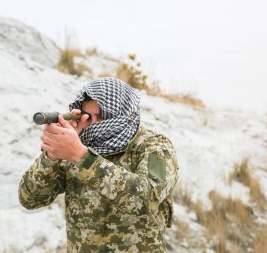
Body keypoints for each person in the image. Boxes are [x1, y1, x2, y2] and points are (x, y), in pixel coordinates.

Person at [18, 77, 179, 252]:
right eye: (88, 116)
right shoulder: (81, 144)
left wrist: (82, 157)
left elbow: (148, 198)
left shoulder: (154, 146)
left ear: (122, 113)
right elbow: (30, 199)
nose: (93, 124)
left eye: (102, 116)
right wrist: (51, 157)